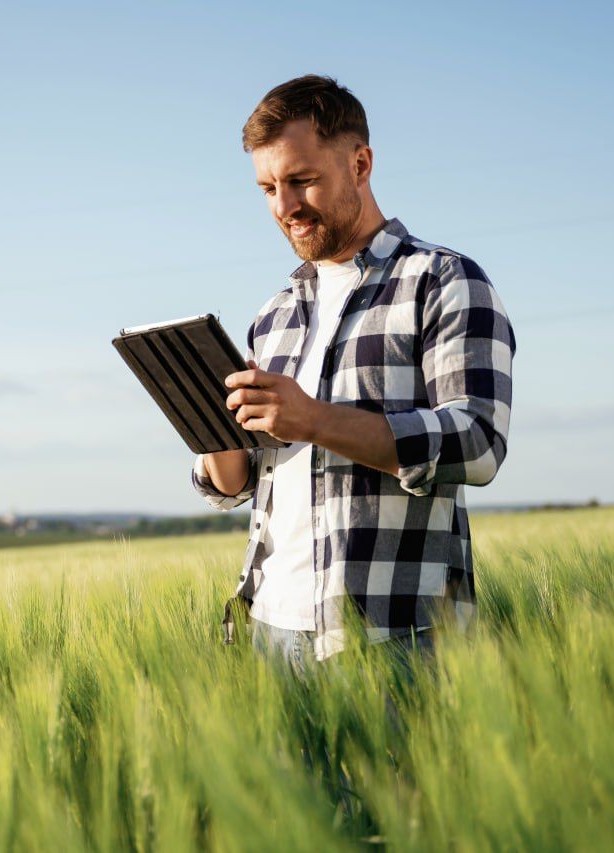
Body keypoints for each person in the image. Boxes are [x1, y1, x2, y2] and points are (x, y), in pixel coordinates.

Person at [191, 74, 516, 678]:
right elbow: (244, 482)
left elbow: (476, 444)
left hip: (393, 632)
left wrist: (314, 419)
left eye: (302, 181)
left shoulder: (443, 281)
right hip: (268, 628)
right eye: (267, 188)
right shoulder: (275, 314)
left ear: (360, 164)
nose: (284, 206)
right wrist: (211, 432)